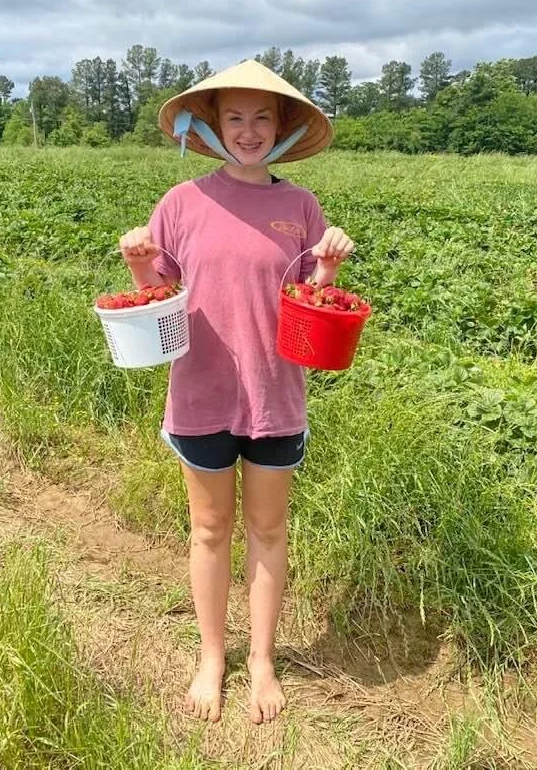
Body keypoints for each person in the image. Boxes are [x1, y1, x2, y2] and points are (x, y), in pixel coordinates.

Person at [119, 60, 353, 724]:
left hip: (275, 394)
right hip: (201, 392)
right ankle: (212, 658)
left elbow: (313, 306)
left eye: (261, 118)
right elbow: (156, 299)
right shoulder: (180, 203)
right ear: (214, 126)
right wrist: (138, 262)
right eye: (234, 118)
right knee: (209, 527)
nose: (248, 131)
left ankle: (262, 661)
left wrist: (328, 268)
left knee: (269, 529)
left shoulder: (300, 206)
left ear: (281, 127)